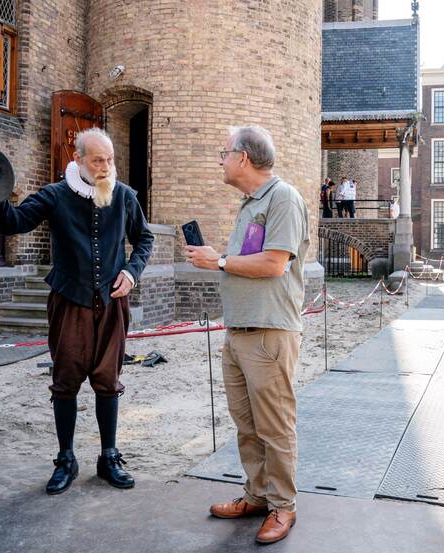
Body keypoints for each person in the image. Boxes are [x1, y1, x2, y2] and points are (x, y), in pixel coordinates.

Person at [0, 128, 154, 495]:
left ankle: (108, 456)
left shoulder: (123, 196)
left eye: (110, 159)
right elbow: (13, 222)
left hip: (112, 303)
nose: (106, 166)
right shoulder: (55, 195)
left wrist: (131, 271)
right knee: (65, 382)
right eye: (98, 160)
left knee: (108, 381)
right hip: (69, 302)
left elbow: (145, 238)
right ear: (78, 160)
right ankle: (66, 459)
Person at [185, 125, 309, 545]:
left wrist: (218, 260)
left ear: (242, 157)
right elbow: (246, 262)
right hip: (238, 333)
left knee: (275, 426)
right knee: (246, 424)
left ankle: (283, 506)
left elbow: (275, 264)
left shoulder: (283, 199)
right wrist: (220, 261)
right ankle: (257, 496)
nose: (219, 160)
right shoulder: (248, 204)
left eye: (223, 153)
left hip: (269, 333)